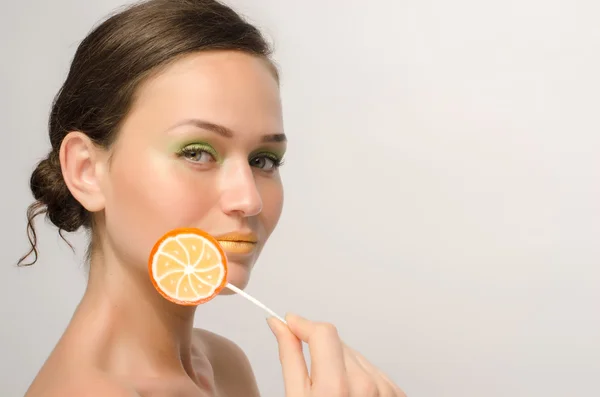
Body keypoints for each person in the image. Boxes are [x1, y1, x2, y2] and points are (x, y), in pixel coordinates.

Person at [18, 0, 406, 396]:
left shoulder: (223, 365)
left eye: (264, 159)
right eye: (196, 152)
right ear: (87, 171)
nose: (248, 199)